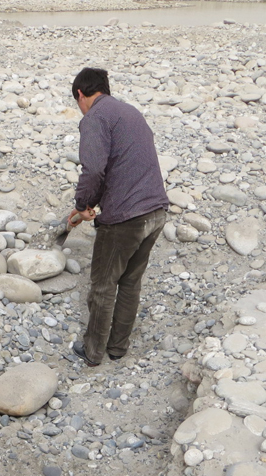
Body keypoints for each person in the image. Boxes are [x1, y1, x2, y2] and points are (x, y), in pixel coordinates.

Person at [68, 67, 169, 367]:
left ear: (81, 95)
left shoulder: (95, 118)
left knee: (103, 284)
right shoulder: (130, 112)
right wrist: (89, 204)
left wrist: (83, 203)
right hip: (156, 211)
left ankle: (93, 351)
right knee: (130, 282)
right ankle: (118, 347)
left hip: (126, 218)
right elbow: (125, 162)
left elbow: (94, 168)